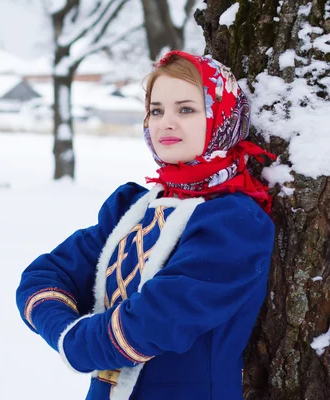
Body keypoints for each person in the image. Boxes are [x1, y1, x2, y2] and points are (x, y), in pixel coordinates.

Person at [15, 50, 276, 400]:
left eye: (186, 109)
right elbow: (42, 277)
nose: (166, 122)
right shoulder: (134, 209)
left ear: (221, 118)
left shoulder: (234, 225)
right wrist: (68, 335)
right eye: (156, 110)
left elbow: (155, 320)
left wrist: (77, 343)